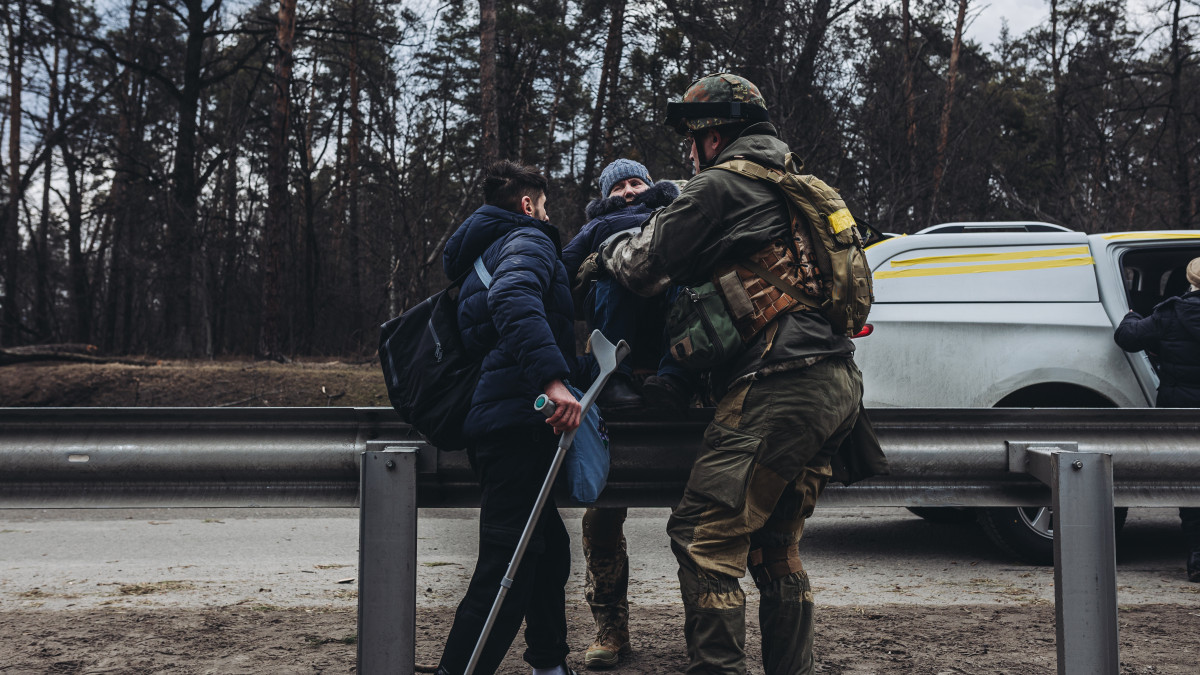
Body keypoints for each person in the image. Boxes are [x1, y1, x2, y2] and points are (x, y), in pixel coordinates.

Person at [593, 73, 883, 675]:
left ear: (711, 135)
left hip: (778, 382)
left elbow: (645, 266)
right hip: (836, 383)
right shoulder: (804, 185)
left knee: (704, 539)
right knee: (777, 550)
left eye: (692, 141)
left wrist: (600, 255)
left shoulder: (719, 186)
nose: (690, 154)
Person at [435, 160, 583, 675]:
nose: (547, 213)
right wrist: (554, 381)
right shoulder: (529, 239)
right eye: (544, 205)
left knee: (546, 552)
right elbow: (514, 298)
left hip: (498, 419)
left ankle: (549, 663)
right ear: (528, 204)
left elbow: (498, 337)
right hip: (520, 421)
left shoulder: (483, 249)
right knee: (508, 566)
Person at [562, 158, 689, 669]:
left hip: (676, 387)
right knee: (602, 517)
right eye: (620, 186)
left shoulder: (680, 217)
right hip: (612, 389)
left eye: (638, 182)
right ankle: (610, 629)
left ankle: (706, 627)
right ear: (605, 195)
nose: (631, 191)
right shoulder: (594, 234)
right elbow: (561, 278)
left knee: (696, 520)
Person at [1113, 256, 1200, 583]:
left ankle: (1196, 556)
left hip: (1180, 409)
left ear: (1189, 282)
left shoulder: (1170, 313)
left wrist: (1130, 315)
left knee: (1190, 479)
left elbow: (1128, 338)